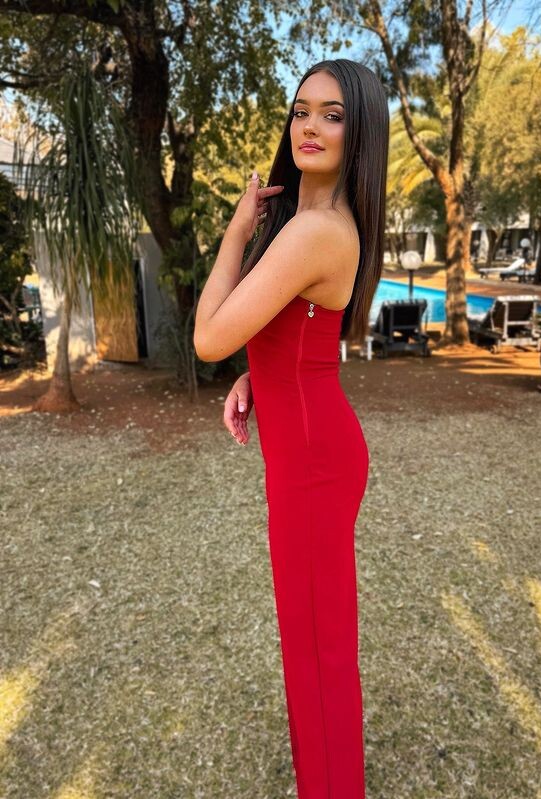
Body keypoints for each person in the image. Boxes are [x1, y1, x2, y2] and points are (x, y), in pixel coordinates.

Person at [194, 58, 389, 799]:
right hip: (308, 446)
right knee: (310, 644)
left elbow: (207, 337)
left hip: (313, 463)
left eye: (332, 115)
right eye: (301, 110)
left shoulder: (314, 232)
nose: (309, 126)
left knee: (319, 653)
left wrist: (235, 233)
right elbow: (304, 337)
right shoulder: (315, 228)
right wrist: (260, 377)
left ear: (358, 131)